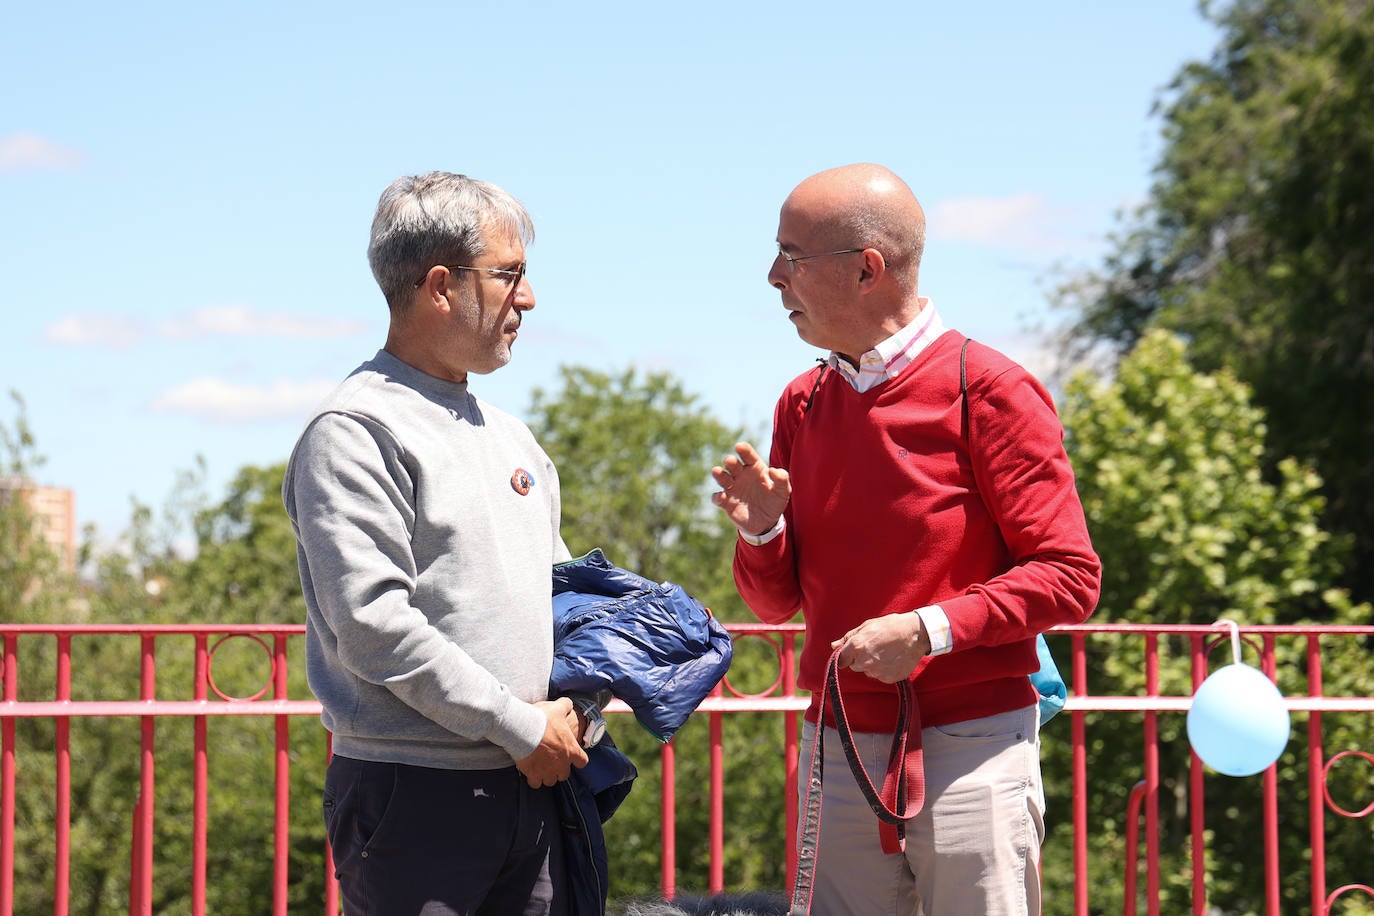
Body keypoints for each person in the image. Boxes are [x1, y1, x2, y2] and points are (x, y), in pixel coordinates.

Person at [711, 163, 1101, 916]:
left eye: (790, 256)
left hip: (975, 747)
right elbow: (773, 604)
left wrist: (926, 632)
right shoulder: (802, 401)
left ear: (868, 269)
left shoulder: (988, 387)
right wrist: (763, 529)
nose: (771, 276)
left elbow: (1070, 574)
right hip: (838, 748)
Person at [283, 171, 591, 916]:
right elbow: (372, 626)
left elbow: (560, 593)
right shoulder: (355, 432)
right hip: (414, 796)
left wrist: (580, 708)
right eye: (509, 274)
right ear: (442, 287)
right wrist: (519, 726)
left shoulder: (509, 434)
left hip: (534, 780)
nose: (529, 298)